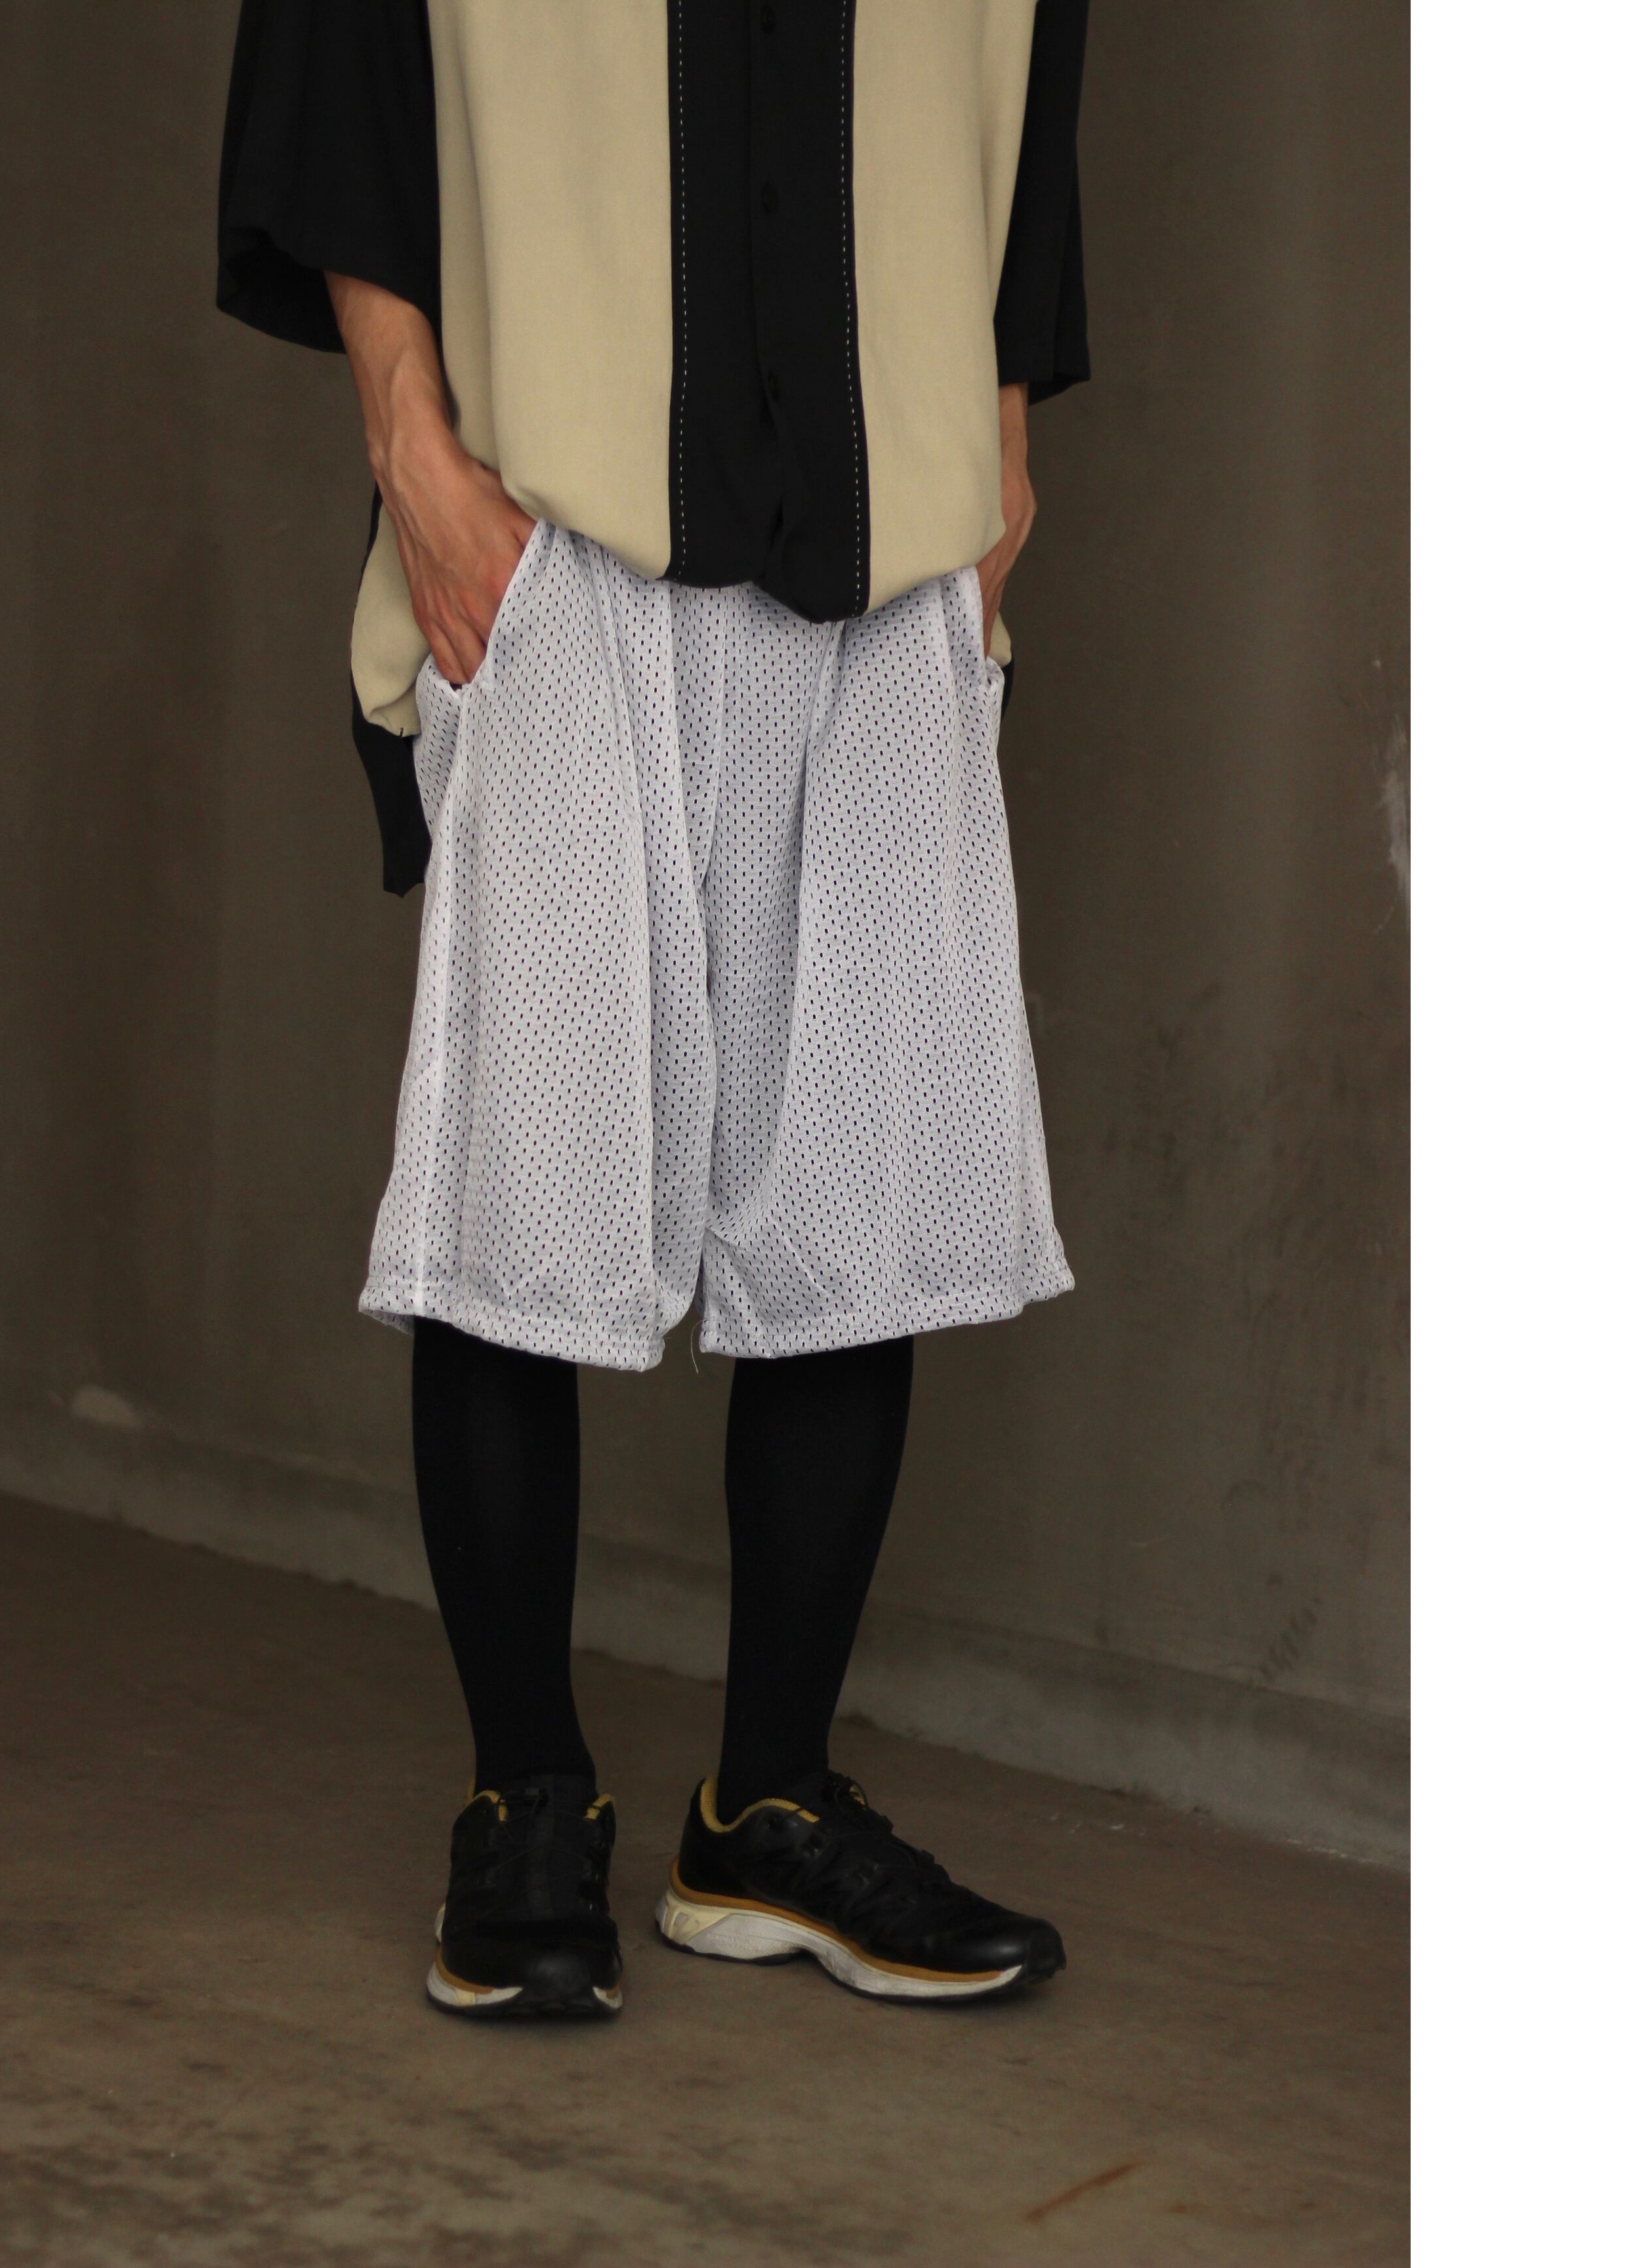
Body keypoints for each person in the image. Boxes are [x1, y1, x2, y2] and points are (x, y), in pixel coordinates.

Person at [218, 0, 1088, 2019]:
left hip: (895, 520)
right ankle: (526, 1798)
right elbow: (336, 46)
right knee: (527, 1182)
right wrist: (413, 456)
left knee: (856, 1198)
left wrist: (1002, 451)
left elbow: (1033, 68)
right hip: (555, 514)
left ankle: (763, 1813)